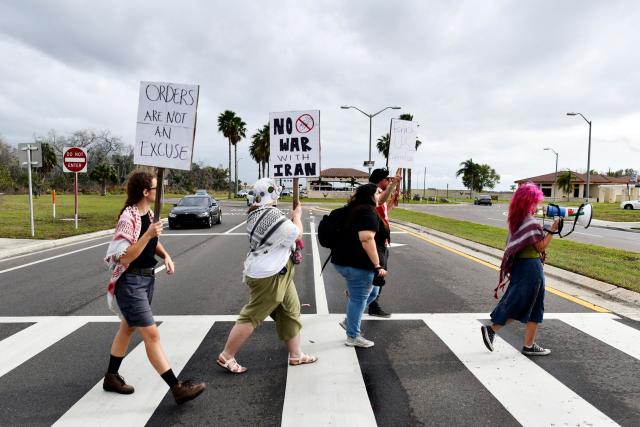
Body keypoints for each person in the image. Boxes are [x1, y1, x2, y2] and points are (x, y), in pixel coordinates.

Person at [103, 170, 205, 405]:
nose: (161, 192)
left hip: (146, 280)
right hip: (130, 283)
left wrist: (166, 255)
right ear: (145, 192)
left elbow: (152, 242)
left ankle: (111, 377)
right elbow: (125, 257)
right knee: (152, 334)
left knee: (127, 328)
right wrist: (148, 234)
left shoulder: (148, 213)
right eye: (157, 188)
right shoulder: (128, 218)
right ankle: (176, 388)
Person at [216, 178, 317, 373]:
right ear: (273, 193)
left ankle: (296, 355)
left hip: (278, 270)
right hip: (270, 273)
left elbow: (281, 234)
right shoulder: (270, 214)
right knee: (253, 315)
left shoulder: (258, 213)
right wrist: (297, 216)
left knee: (291, 309)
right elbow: (296, 235)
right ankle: (226, 355)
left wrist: (290, 218)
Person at [481, 182, 560, 356]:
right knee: (521, 303)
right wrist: (552, 231)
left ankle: (529, 346)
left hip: (520, 266)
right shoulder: (531, 222)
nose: (537, 204)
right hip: (531, 268)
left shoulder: (517, 219)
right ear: (530, 201)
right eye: (535, 201)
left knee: (535, 306)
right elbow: (540, 247)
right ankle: (492, 329)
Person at [332, 183, 388, 348]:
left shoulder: (353, 208)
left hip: (343, 260)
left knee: (373, 292)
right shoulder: (367, 212)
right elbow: (366, 239)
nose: (380, 196)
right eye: (378, 193)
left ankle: (349, 321)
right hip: (358, 264)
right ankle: (353, 336)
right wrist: (377, 265)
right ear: (370, 195)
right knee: (358, 298)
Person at [366, 167, 403, 318]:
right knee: (378, 274)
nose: (389, 181)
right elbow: (379, 201)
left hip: (382, 240)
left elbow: (384, 209)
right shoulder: (373, 192)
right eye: (387, 179)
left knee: (376, 274)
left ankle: (368, 300)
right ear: (381, 180)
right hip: (377, 240)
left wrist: (393, 199)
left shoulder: (379, 193)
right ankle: (372, 305)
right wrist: (393, 186)